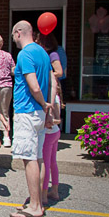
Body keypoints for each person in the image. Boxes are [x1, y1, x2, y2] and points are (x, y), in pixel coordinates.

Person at [10, 20, 53, 217]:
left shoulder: (25, 54)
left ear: (19, 33)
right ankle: (38, 199)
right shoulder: (43, 53)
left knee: (29, 159)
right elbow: (52, 81)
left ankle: (35, 205)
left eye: (13, 36)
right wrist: (48, 107)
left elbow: (34, 86)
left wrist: (44, 103)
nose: (14, 40)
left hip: (27, 110)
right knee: (38, 157)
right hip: (39, 112)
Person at [43, 72, 62, 203]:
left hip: (48, 133)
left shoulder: (50, 99)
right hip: (56, 132)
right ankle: (54, 190)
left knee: (45, 163)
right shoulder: (57, 98)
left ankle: (43, 194)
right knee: (52, 162)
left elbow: (55, 119)